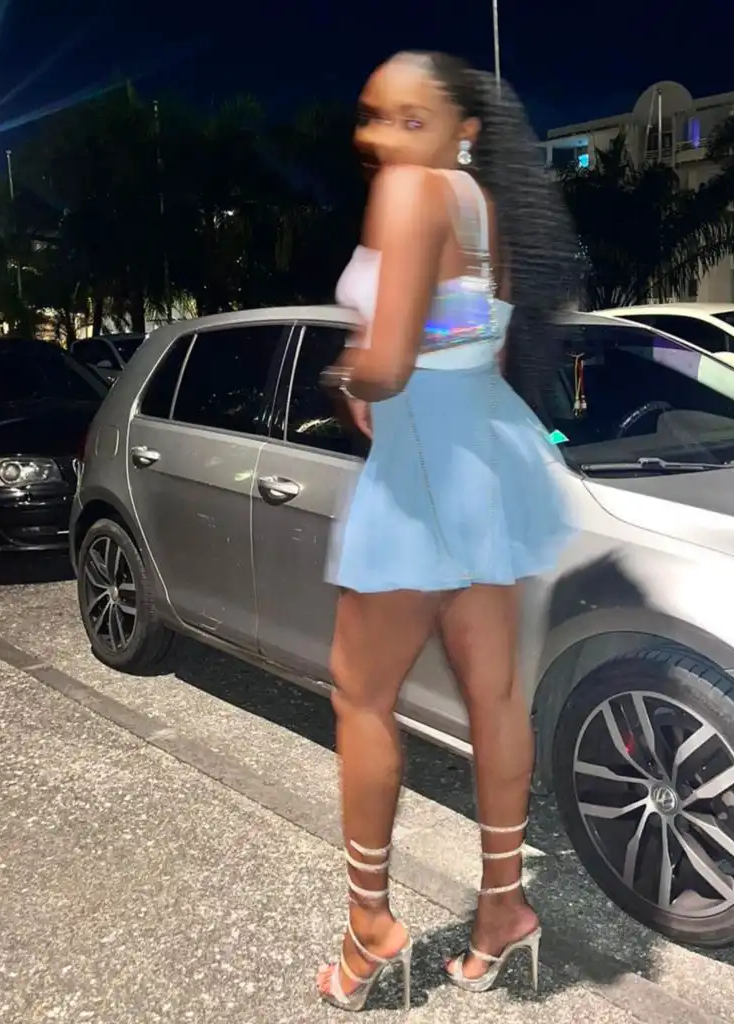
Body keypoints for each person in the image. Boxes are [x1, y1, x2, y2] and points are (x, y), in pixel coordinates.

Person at [315, 50, 579, 1012]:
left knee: (360, 693)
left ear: (463, 127)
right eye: (373, 116)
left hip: (422, 461)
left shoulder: (408, 193)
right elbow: (475, 339)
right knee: (495, 694)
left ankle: (369, 922)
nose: (381, 137)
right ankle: (503, 907)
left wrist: (344, 373)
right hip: (484, 458)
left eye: (408, 118)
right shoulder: (484, 209)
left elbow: (389, 365)